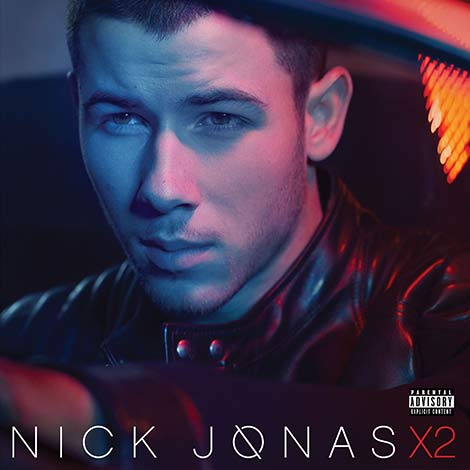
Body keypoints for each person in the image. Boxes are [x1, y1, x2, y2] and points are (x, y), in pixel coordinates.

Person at [0, 0, 469, 467]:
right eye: (121, 118)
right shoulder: (31, 338)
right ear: (78, 109)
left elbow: (442, 431)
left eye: (220, 118)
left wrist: (100, 415)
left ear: (320, 117)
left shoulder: (444, 309)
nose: (162, 189)